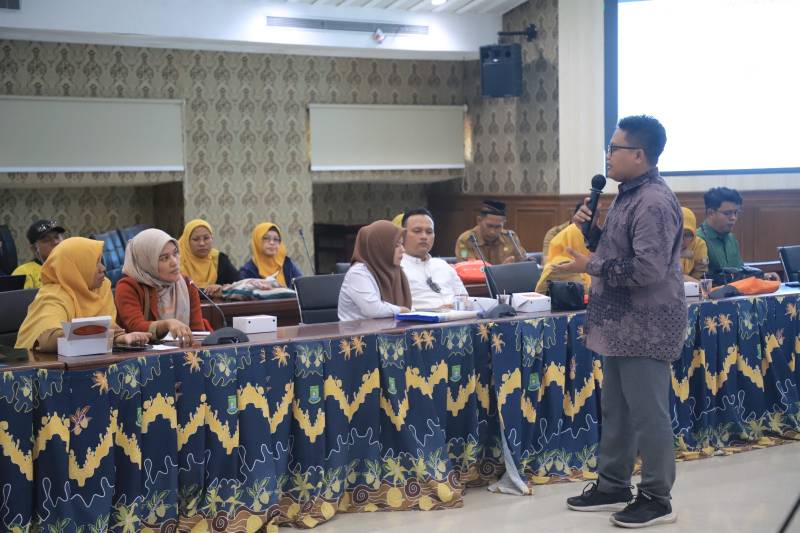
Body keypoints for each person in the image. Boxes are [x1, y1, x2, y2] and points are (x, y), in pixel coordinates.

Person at [555, 115, 685, 528]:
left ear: (639, 155)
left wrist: (589, 264)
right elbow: (619, 252)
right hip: (619, 323)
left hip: (646, 325)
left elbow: (647, 270)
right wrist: (593, 233)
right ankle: (613, 484)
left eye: (614, 148)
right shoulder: (628, 195)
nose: (608, 156)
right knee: (618, 411)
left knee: (648, 414)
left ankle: (657, 497)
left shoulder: (653, 202)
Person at [15, 237, 151, 351]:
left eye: (101, 261)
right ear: (76, 267)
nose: (103, 268)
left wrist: (121, 338)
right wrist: (109, 336)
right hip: (37, 368)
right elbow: (49, 339)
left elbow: (107, 329)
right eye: (95, 263)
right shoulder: (52, 296)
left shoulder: (102, 287)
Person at [115, 228, 207, 347]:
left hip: (182, 353)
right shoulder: (128, 287)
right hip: (142, 355)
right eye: (164, 258)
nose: (174, 262)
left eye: (175, 253)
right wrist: (167, 324)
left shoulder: (187, 284)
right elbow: (135, 326)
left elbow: (197, 332)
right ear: (147, 261)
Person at [695, 187, 780, 281]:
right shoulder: (696, 240)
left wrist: (762, 277)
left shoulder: (731, 238)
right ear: (710, 213)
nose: (733, 218)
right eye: (727, 213)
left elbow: (740, 273)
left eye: (736, 212)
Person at [338, 220, 411, 321]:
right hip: (358, 330)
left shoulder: (395, 271)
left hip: (391, 328)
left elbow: (408, 308)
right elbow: (373, 310)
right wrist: (401, 310)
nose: (403, 250)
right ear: (380, 247)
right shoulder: (358, 273)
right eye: (396, 245)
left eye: (402, 244)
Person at [400, 208, 467, 310]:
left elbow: (465, 299)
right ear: (402, 235)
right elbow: (397, 308)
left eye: (429, 232)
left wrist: (455, 306)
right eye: (417, 231)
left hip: (457, 316)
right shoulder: (397, 267)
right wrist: (433, 311)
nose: (424, 236)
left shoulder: (442, 265)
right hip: (420, 319)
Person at [178, 219, 240, 297]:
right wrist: (212, 293)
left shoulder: (220, 259)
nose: (202, 243)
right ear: (187, 241)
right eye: (196, 239)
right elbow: (178, 290)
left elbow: (240, 285)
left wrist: (222, 288)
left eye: (206, 238)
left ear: (212, 238)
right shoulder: (176, 261)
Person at [454, 200, 527, 265]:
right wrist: (501, 270)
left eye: (498, 227)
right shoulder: (466, 240)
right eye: (489, 226)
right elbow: (467, 270)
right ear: (479, 221)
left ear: (504, 223)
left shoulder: (510, 238)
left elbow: (523, 263)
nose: (493, 232)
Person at [239, 223, 303, 288]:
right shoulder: (248, 271)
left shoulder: (287, 264)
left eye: (276, 239)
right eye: (266, 238)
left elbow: (302, 285)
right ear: (257, 241)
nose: (272, 243)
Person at [534, 222, 591, 295]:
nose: (593, 247)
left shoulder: (572, 261)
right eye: (586, 242)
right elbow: (589, 294)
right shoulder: (563, 266)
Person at [12, 219, 67, 289]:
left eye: (57, 237)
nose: (55, 242)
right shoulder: (23, 272)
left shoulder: (73, 266)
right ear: (34, 249)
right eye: (47, 240)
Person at [679, 207, 709, 282]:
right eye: (678, 234)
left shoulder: (699, 244)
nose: (681, 240)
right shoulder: (663, 245)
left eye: (686, 235)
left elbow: (700, 273)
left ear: (694, 235)